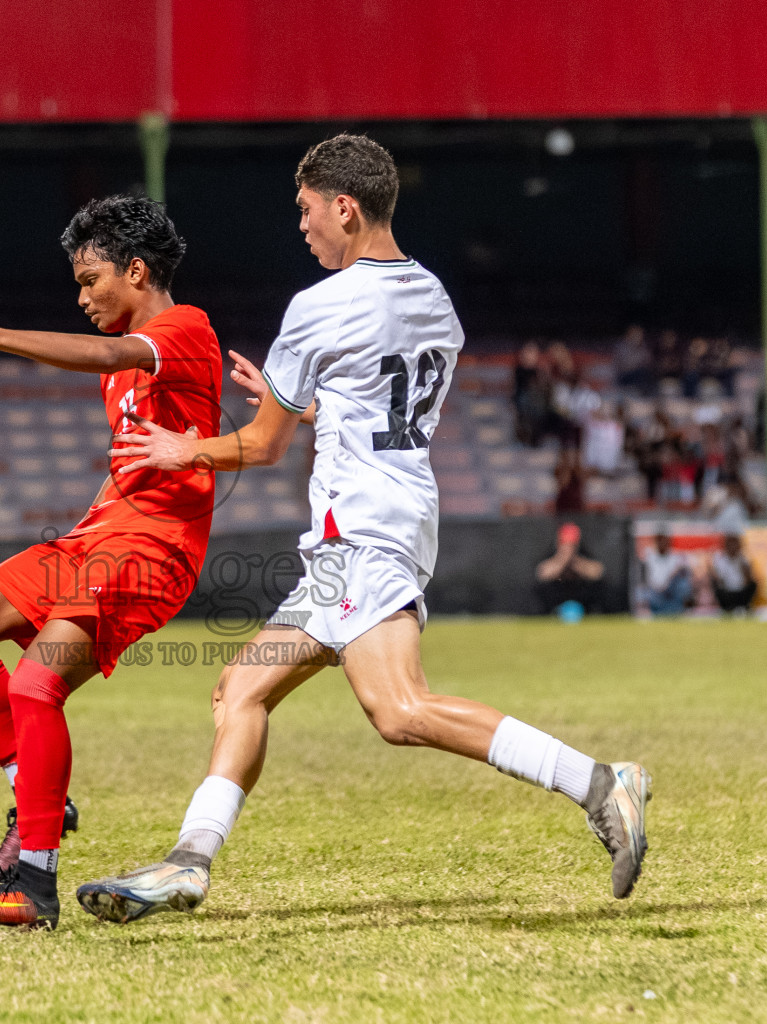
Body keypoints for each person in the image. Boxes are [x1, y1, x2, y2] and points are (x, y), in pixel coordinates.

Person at [76, 135, 651, 925]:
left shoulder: (319, 306)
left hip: (363, 529)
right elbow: (380, 408)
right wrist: (308, 401)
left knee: (399, 709)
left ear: (345, 207)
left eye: (308, 211)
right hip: (392, 514)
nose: (303, 227)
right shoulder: (435, 298)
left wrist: (188, 447)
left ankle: (597, 782)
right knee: (239, 690)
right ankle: (188, 863)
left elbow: (263, 446)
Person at [0, 195, 222, 930]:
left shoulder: (183, 329)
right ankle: (36, 792)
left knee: (34, 687)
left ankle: (34, 885)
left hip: (152, 552)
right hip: (100, 540)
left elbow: (112, 356)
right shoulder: (129, 360)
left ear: (137, 271)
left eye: (91, 280)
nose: (82, 297)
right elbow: (129, 459)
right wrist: (93, 515)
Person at [534, 522, 606, 614]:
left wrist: (575, 561)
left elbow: (598, 572)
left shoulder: (584, 553)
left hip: (583, 605)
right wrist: (563, 560)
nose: (569, 547)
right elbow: (542, 573)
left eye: (572, 544)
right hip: (555, 605)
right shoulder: (550, 553)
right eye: (565, 543)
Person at [638, 531, 693, 615]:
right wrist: (657, 586)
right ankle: (645, 613)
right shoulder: (649, 556)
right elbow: (647, 578)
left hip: (670, 590)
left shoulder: (675, 556)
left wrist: (670, 579)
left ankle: (685, 610)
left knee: (684, 584)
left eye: (664, 540)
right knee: (640, 591)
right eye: (660, 540)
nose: (662, 543)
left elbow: (684, 570)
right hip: (654, 591)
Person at [709, 534, 757, 615]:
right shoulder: (722, 560)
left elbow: (749, 578)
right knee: (715, 584)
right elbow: (720, 579)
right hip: (728, 592)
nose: (733, 547)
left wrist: (743, 565)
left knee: (753, 584)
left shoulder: (743, 559)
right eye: (730, 545)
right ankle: (727, 607)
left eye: (735, 545)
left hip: (741, 591)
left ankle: (743, 606)